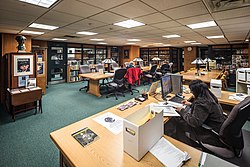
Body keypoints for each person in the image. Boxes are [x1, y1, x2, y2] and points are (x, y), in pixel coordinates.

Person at [164, 79, 226, 147]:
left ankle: (184, 145)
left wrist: (182, 111)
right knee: (182, 116)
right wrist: (191, 104)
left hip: (210, 132)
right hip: (216, 126)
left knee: (177, 120)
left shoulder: (201, 103)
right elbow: (203, 110)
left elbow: (194, 122)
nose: (191, 92)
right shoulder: (209, 97)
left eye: (192, 91)